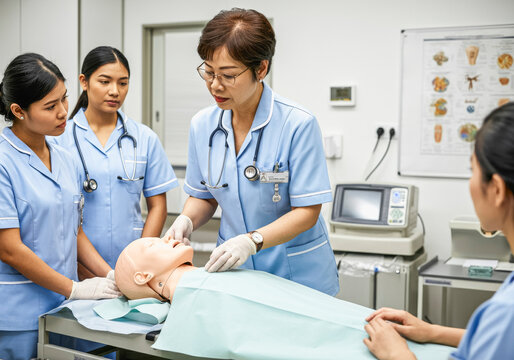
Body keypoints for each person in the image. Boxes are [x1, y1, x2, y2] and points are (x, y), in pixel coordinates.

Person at [165, 8, 339, 296]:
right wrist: (186, 220)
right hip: (236, 271)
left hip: (297, 275)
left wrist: (252, 240)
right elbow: (204, 196)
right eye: (208, 72)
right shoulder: (203, 125)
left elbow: (307, 211)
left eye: (228, 75)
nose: (214, 85)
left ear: (261, 69)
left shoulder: (297, 124)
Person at [111, 236, 453, 360]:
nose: (164, 238)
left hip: (370, 331)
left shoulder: (213, 280)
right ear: (143, 277)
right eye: (151, 245)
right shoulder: (197, 299)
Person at [364, 102, 514, 360]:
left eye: (472, 171)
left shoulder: (506, 311)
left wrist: (397, 355)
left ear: (497, 190)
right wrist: (432, 331)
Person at [0, 53, 120, 359]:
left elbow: (74, 231)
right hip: (17, 315)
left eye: (64, 100)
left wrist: (110, 275)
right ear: (19, 111)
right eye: (50, 107)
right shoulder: (4, 162)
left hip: (65, 310)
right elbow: (9, 248)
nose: (63, 112)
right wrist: (74, 288)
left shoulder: (66, 158)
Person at [52, 46, 177, 272]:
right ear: (84, 81)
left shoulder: (144, 138)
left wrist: (140, 259)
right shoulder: (58, 139)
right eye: (105, 81)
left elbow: (158, 206)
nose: (115, 91)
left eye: (123, 83)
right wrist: (88, 271)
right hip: (74, 266)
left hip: (132, 263)